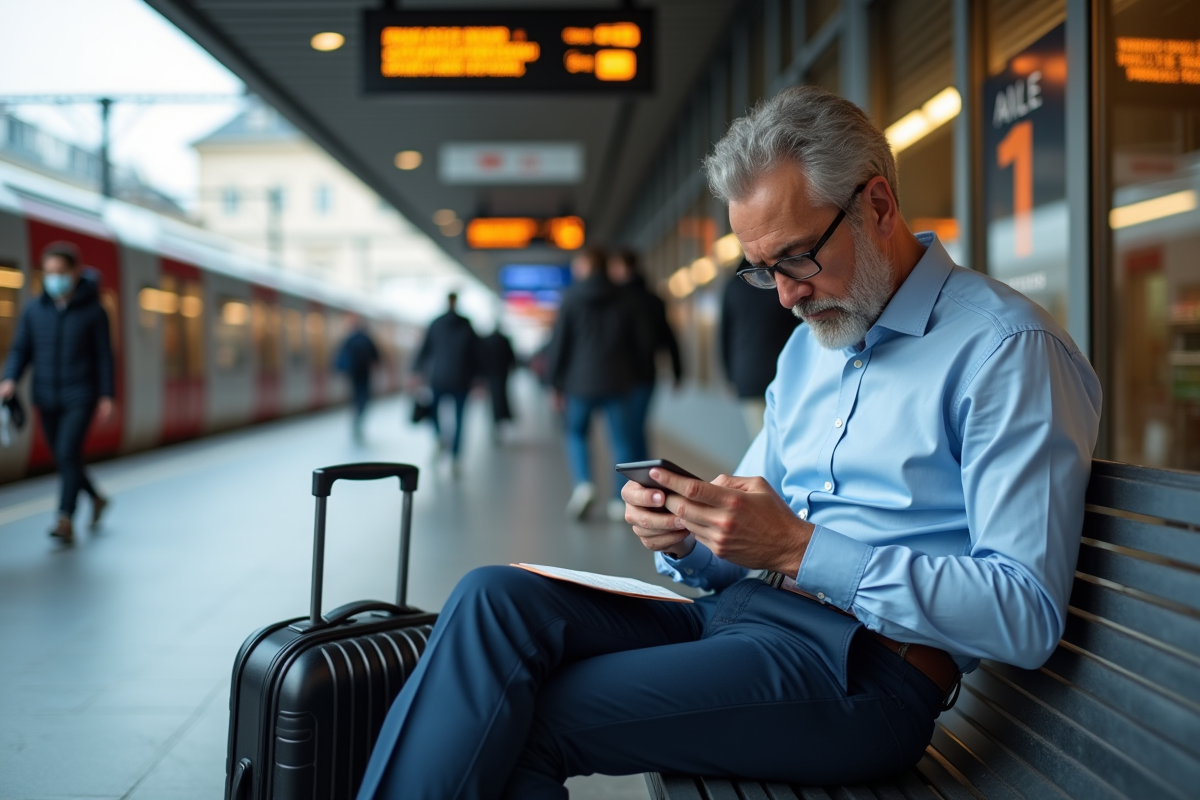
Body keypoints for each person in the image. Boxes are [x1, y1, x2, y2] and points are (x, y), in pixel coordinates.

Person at [353, 86, 1102, 799]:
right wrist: (686, 534)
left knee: (528, 719)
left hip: (868, 670)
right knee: (494, 595)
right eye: (761, 269)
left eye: (798, 257)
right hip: (749, 616)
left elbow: (1026, 614)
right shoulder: (811, 349)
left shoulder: (1006, 350)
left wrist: (801, 550)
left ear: (877, 203)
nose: (784, 294)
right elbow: (742, 543)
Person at [1, 242, 115, 545]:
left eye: (61, 272)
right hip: (47, 395)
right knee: (67, 456)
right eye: (49, 273)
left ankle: (64, 518)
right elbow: (20, 349)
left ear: (76, 272)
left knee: (66, 452)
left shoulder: (94, 312)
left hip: (81, 394)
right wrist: (9, 378)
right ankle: (97, 497)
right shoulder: (34, 311)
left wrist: (107, 395)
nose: (54, 279)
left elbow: (104, 356)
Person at [545, 248, 641, 521]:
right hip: (618, 380)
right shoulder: (625, 297)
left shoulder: (571, 298)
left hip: (579, 382)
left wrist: (554, 383)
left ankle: (584, 484)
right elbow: (637, 342)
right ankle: (619, 499)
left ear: (586, 265)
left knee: (576, 433)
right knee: (621, 442)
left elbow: (559, 344)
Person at [608, 249, 683, 464]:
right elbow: (669, 337)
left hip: (619, 377)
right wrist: (678, 370)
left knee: (623, 436)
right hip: (648, 374)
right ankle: (645, 481)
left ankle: (624, 491)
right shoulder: (654, 299)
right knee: (637, 430)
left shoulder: (616, 300)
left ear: (623, 268)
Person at [719, 268, 800, 438]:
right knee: (791, 437)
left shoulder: (733, 286)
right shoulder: (783, 279)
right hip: (787, 372)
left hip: (749, 374)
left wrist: (728, 376)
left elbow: (723, 336)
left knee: (763, 439)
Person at [413, 292, 479, 470]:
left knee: (434, 414)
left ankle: (440, 438)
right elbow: (476, 353)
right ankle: (455, 458)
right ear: (457, 302)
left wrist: (415, 371)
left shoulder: (436, 323)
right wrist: (479, 378)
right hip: (462, 379)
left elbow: (424, 349)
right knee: (460, 419)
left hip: (439, 378)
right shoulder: (466, 324)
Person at [335, 314, 379, 441]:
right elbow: (375, 356)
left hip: (353, 374)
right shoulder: (367, 338)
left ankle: (356, 419)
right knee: (363, 398)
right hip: (365, 374)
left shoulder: (349, 339)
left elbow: (341, 357)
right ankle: (359, 419)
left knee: (356, 398)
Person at [478, 323, 517, 442]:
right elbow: (511, 357)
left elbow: (481, 357)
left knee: (491, 401)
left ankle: (495, 423)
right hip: (502, 373)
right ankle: (500, 421)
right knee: (501, 397)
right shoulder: (504, 340)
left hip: (489, 374)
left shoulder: (486, 340)